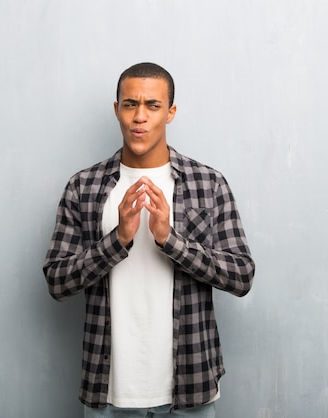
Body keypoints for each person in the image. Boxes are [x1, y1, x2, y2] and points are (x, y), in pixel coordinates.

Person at [43, 62, 255, 417]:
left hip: (191, 389)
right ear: (117, 111)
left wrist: (170, 240)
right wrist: (118, 240)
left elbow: (242, 276)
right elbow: (56, 281)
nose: (140, 116)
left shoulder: (208, 184)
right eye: (130, 104)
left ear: (170, 112)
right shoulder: (84, 187)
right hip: (107, 393)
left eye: (153, 105)